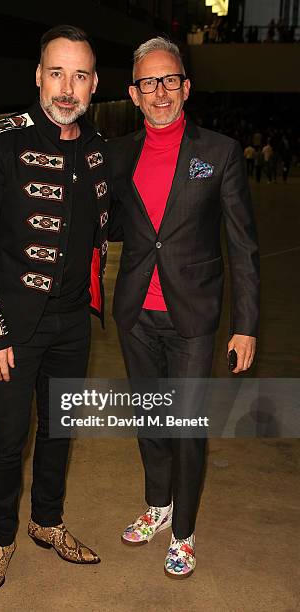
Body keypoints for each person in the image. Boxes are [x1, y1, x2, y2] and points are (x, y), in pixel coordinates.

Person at [0, 24, 109, 596]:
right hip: (13, 328)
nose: (66, 88)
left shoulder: (97, 149)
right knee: (8, 435)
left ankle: (48, 521)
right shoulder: (0, 141)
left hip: (73, 322)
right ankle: (0, 542)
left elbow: (106, 224)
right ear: (38, 76)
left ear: (93, 84)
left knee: (60, 430)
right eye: (56, 72)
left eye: (79, 75)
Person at [109, 37, 260, 579]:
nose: (160, 92)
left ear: (185, 86)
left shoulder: (218, 153)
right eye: (148, 83)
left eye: (169, 79)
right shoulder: (119, 154)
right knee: (150, 420)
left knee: (186, 426)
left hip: (192, 318)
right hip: (135, 315)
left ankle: (184, 532)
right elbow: (108, 223)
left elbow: (242, 245)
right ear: (134, 93)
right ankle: (158, 504)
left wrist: (246, 326)